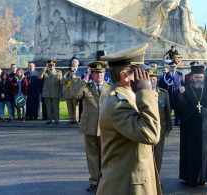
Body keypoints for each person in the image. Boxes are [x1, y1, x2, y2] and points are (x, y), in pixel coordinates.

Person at [97, 44, 162, 194]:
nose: (146, 76)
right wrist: (146, 93)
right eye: (140, 72)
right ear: (125, 76)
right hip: (126, 187)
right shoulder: (118, 104)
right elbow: (151, 134)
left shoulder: (128, 97)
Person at [173, 65, 207, 186]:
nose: (199, 79)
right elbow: (179, 109)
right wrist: (180, 95)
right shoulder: (185, 91)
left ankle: (205, 177)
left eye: (201, 77)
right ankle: (190, 177)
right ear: (191, 77)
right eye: (196, 77)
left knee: (205, 154)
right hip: (190, 130)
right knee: (191, 153)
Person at [72, 61, 110, 192]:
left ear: (104, 74)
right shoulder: (86, 86)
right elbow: (74, 94)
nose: (99, 75)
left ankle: (105, 180)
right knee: (92, 155)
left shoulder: (109, 87)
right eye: (96, 73)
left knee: (105, 154)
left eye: (101, 73)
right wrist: (84, 79)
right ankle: (94, 180)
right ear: (91, 74)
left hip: (105, 127)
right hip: (90, 126)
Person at [149, 67, 172, 176]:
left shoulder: (163, 93)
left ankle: (156, 176)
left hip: (160, 128)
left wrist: (168, 127)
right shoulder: (141, 93)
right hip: (146, 128)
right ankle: (148, 177)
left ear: (157, 80)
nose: (151, 81)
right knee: (146, 154)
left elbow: (167, 111)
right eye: (149, 79)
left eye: (153, 79)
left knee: (158, 154)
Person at [159, 61, 184, 126]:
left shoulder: (179, 75)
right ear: (169, 67)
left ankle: (177, 123)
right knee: (168, 110)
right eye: (172, 67)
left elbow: (182, 85)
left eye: (174, 67)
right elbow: (163, 86)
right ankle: (168, 123)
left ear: (176, 67)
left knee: (177, 111)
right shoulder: (165, 76)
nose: (173, 68)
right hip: (168, 95)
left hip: (177, 96)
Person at [38, 59, 63, 124]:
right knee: (48, 107)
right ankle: (49, 120)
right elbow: (39, 77)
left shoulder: (59, 72)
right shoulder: (45, 72)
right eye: (50, 65)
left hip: (55, 92)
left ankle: (56, 120)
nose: (51, 67)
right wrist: (44, 69)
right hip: (47, 93)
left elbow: (61, 83)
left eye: (53, 65)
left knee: (55, 107)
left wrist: (60, 92)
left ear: (55, 66)